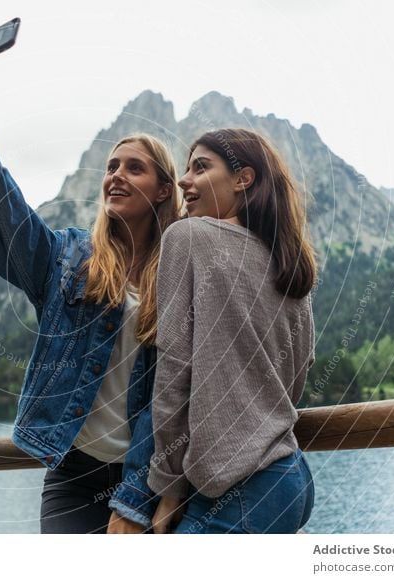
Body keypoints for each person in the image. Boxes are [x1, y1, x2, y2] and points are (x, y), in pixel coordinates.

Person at [0, 38, 184, 533]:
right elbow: (8, 218)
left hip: (153, 476)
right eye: (112, 167)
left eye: (133, 168)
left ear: (164, 189)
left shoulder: (183, 275)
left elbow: (183, 395)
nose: (115, 176)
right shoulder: (71, 258)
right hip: (72, 474)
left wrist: (144, 498)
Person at [148, 128, 318, 534]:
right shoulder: (289, 264)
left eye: (200, 167)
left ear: (243, 179)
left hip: (238, 491)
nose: (184, 180)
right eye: (185, 169)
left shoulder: (188, 236)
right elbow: (295, 377)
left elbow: (174, 368)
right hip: (288, 478)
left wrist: (168, 489)